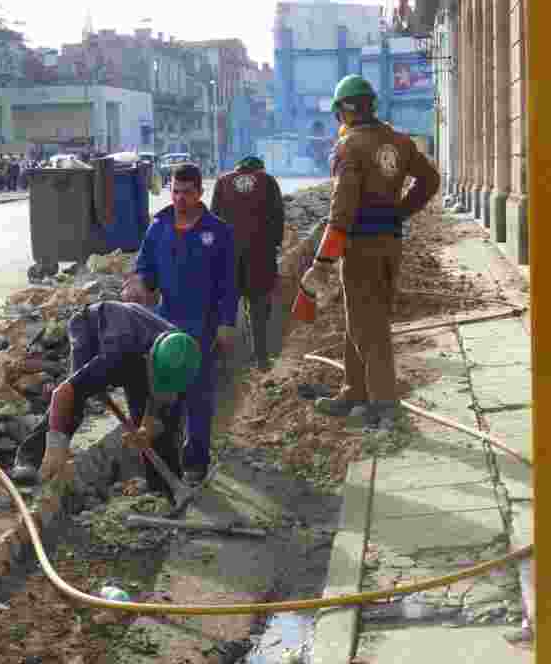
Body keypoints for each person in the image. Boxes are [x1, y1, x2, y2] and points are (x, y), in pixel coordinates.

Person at [295, 74, 440, 431]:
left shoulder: (350, 147)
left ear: (341, 111)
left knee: (368, 327)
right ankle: (353, 391)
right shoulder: (399, 141)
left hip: (360, 247)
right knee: (359, 319)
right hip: (391, 243)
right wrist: (401, 211)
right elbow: (431, 181)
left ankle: (385, 405)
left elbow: (341, 213)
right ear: (371, 105)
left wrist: (323, 262)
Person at [11, 301, 202, 500]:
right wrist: (56, 446)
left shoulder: (181, 352)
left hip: (138, 342)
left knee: (162, 421)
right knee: (74, 401)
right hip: (91, 328)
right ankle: (29, 458)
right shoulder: (116, 355)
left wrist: (147, 427)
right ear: (149, 362)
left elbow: (161, 398)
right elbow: (63, 393)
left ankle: (163, 489)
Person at [126, 163, 239, 483]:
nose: (179, 198)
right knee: (163, 395)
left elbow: (229, 284)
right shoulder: (158, 226)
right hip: (164, 324)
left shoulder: (218, 232)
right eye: (175, 191)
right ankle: (166, 464)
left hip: (204, 324)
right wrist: (139, 285)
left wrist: (227, 323)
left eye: (187, 192)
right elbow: (146, 268)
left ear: (200, 193)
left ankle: (195, 462)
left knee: (198, 397)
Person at [210, 155, 285, 370]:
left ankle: (221, 361)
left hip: (228, 257)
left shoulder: (223, 181)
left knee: (224, 308)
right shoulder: (268, 181)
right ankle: (260, 357)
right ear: (259, 168)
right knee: (259, 307)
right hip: (260, 256)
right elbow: (278, 218)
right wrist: (274, 245)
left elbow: (214, 219)